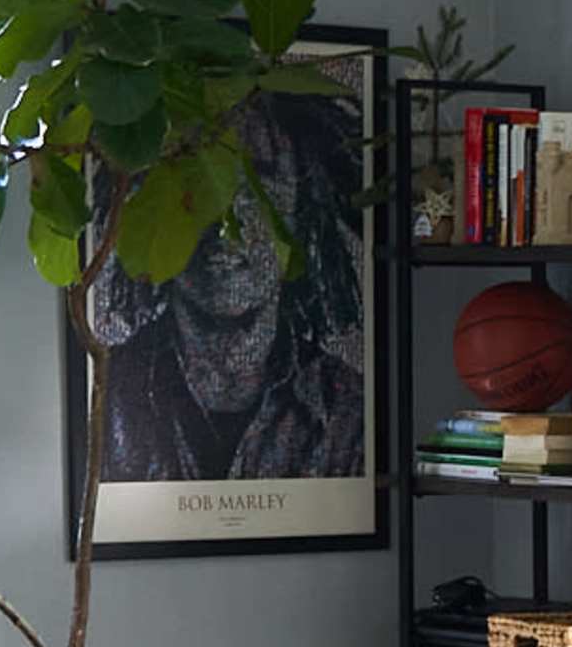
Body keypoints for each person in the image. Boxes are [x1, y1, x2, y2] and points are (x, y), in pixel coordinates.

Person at [91, 82, 366, 486]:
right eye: (197, 183)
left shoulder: (350, 416)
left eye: (259, 185)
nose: (227, 223)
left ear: (302, 210)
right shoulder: (107, 396)